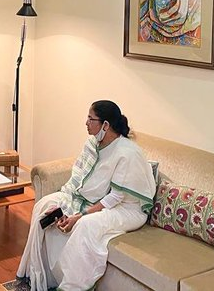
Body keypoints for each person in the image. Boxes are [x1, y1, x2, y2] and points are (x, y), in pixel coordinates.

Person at [17, 100, 156, 291]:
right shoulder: (92, 143)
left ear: (105, 125)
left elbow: (116, 197)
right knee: (45, 204)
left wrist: (79, 215)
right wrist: (63, 202)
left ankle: (71, 287)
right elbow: (79, 177)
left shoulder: (127, 153)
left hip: (127, 209)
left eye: (91, 119)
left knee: (85, 225)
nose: (86, 123)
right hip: (96, 200)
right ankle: (41, 278)